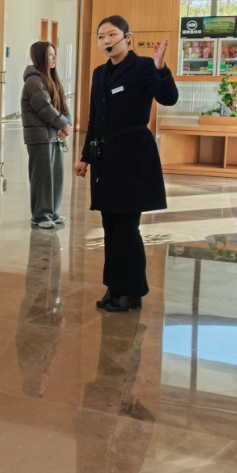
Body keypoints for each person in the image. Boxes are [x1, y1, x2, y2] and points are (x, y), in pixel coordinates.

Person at [75, 16, 177, 313]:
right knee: (110, 225)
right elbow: (94, 118)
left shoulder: (144, 66)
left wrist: (161, 68)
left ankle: (132, 292)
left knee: (127, 226)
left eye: (112, 35)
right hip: (105, 158)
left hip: (133, 156)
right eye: (101, 36)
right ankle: (114, 286)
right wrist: (85, 157)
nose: (106, 41)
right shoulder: (99, 73)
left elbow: (168, 98)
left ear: (127, 38)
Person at [21, 41, 72, 230]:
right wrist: (64, 125)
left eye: (54, 53)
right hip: (39, 136)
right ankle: (40, 215)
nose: (54, 57)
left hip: (53, 134)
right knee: (42, 178)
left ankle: (51, 211)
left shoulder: (52, 78)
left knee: (55, 175)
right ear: (40, 57)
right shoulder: (33, 81)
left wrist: (67, 123)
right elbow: (45, 108)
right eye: (50, 54)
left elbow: (63, 106)